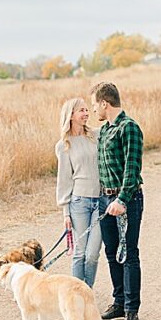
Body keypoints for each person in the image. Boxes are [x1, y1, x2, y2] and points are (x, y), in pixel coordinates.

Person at [91, 82, 145, 320]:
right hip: (104, 199)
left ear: (105, 103)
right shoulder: (103, 131)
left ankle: (132, 310)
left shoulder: (129, 128)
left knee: (129, 253)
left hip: (128, 200)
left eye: (94, 104)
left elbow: (132, 170)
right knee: (111, 252)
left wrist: (121, 200)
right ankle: (119, 303)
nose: (93, 110)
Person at [54, 97, 104, 288]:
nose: (86, 113)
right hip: (79, 203)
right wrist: (65, 213)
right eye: (81, 110)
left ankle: (87, 293)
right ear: (71, 115)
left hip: (101, 201)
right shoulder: (64, 145)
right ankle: (76, 296)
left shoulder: (96, 135)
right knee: (79, 253)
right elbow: (64, 181)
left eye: (86, 109)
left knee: (92, 254)